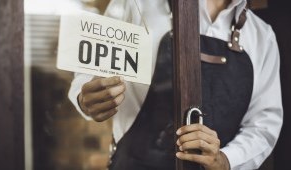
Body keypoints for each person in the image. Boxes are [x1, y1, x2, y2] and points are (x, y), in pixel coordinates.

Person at [68, 0, 283, 169]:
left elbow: (264, 124)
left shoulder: (262, 36)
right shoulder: (136, 4)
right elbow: (87, 76)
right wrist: (85, 98)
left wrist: (226, 160)